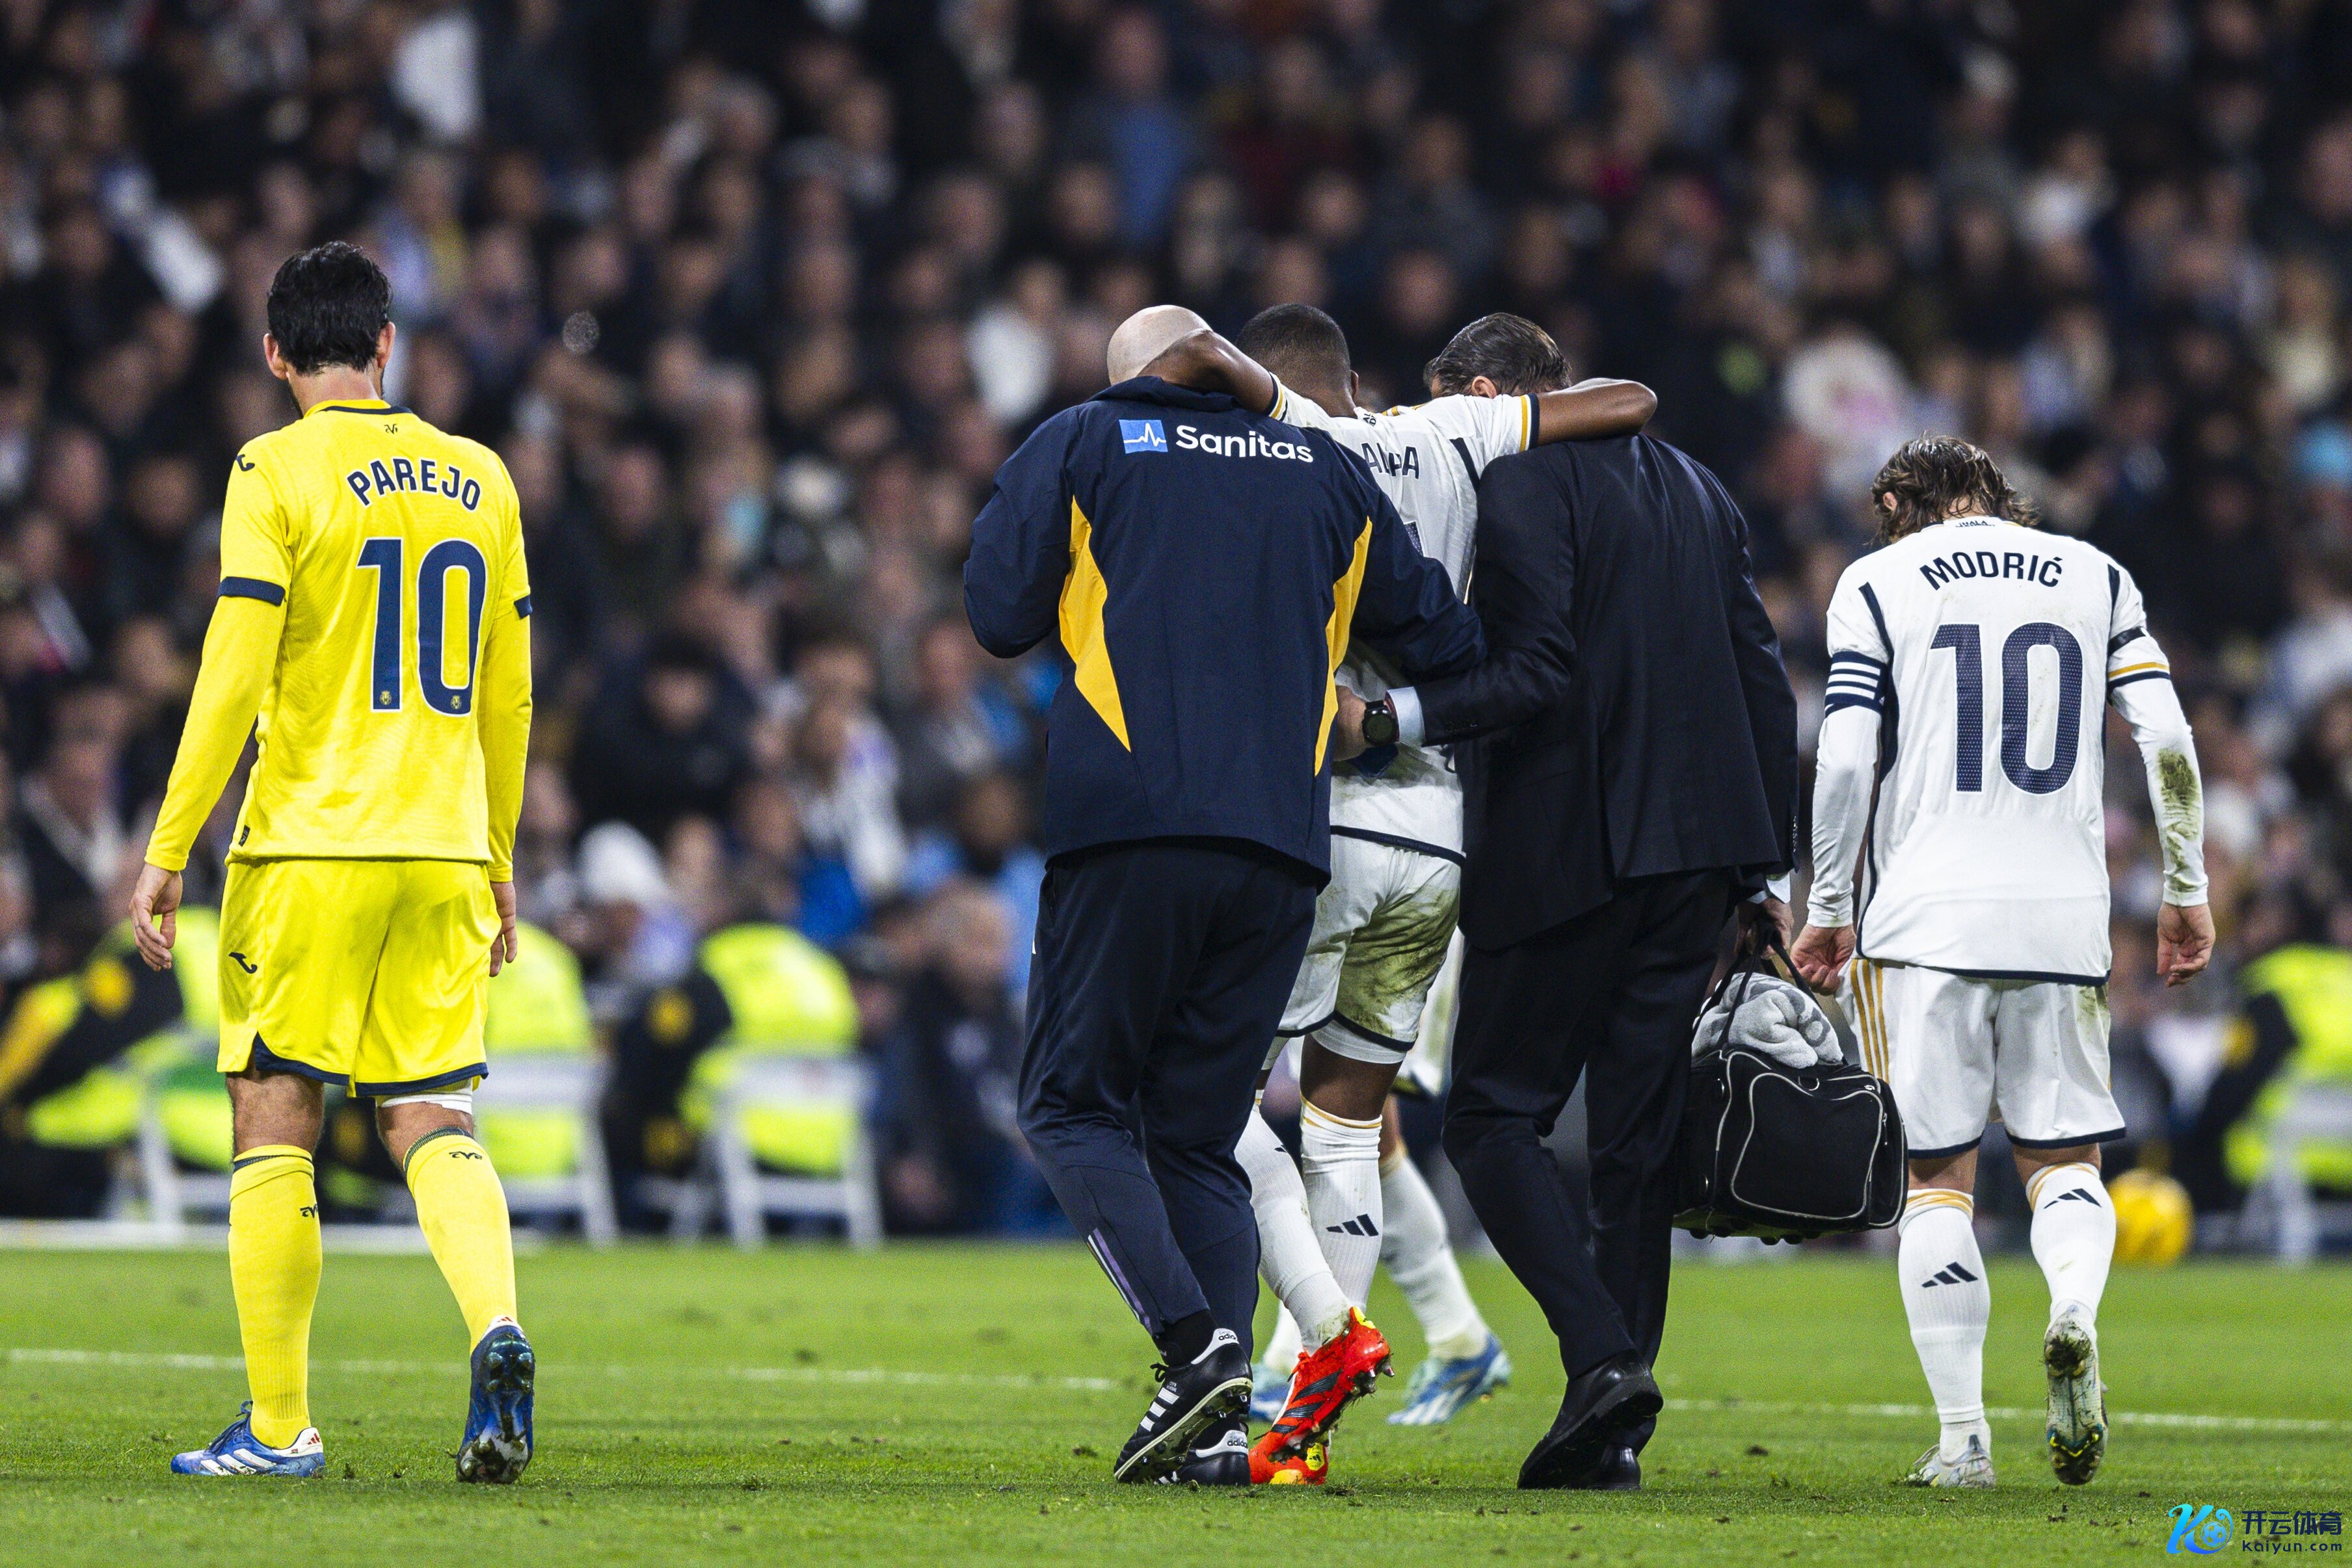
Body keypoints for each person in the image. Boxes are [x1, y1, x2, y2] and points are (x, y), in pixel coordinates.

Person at [963, 304, 1484, 1485]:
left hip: (1132, 825)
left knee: (1070, 1106)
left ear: (1129, 377)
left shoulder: (1086, 439)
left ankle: (1195, 1348)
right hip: (1285, 845)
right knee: (1197, 1134)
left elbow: (996, 615)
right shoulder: (1324, 470)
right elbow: (1447, 640)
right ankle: (1225, 1429)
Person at [1151, 303, 1654, 1481]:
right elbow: (1631, 400)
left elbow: (1232, 391)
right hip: (1437, 831)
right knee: (1347, 1126)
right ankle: (1303, 1434)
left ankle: (1321, 1330)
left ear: (1269, 385)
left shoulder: (1291, 440)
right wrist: (1519, 412)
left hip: (1319, 815)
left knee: (1196, 1101)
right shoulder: (1451, 433)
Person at [1338, 312, 1799, 1491]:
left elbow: (1534, 673)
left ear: (1487, 393)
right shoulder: (1699, 488)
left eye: (1448, 404)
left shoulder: (1523, 483)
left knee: (1491, 1118)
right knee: (1638, 1147)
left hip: (1570, 848)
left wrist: (1388, 719)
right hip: (1697, 863)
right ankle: (1616, 1431)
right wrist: (1763, 874)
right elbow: (1760, 675)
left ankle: (1602, 1361)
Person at [126, 243, 537, 1483]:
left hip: (312, 840)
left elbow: (233, 668)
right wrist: (499, 856)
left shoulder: (274, 469)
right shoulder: (481, 476)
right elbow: (510, 695)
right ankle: (497, 1325)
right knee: (433, 1113)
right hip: (445, 844)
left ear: (274, 355)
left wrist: (169, 846)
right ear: (387, 343)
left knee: (275, 1115)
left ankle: (280, 1426)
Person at [1791, 436, 2213, 1489]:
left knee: (1935, 1180)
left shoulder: (1878, 581)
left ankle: (1964, 1442)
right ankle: (2072, 1309)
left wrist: (1829, 903)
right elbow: (2166, 737)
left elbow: (1846, 757)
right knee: (2065, 1161)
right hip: (2061, 914)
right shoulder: (2096, 575)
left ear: (1900, 500)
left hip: (1923, 919)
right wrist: (2186, 883)